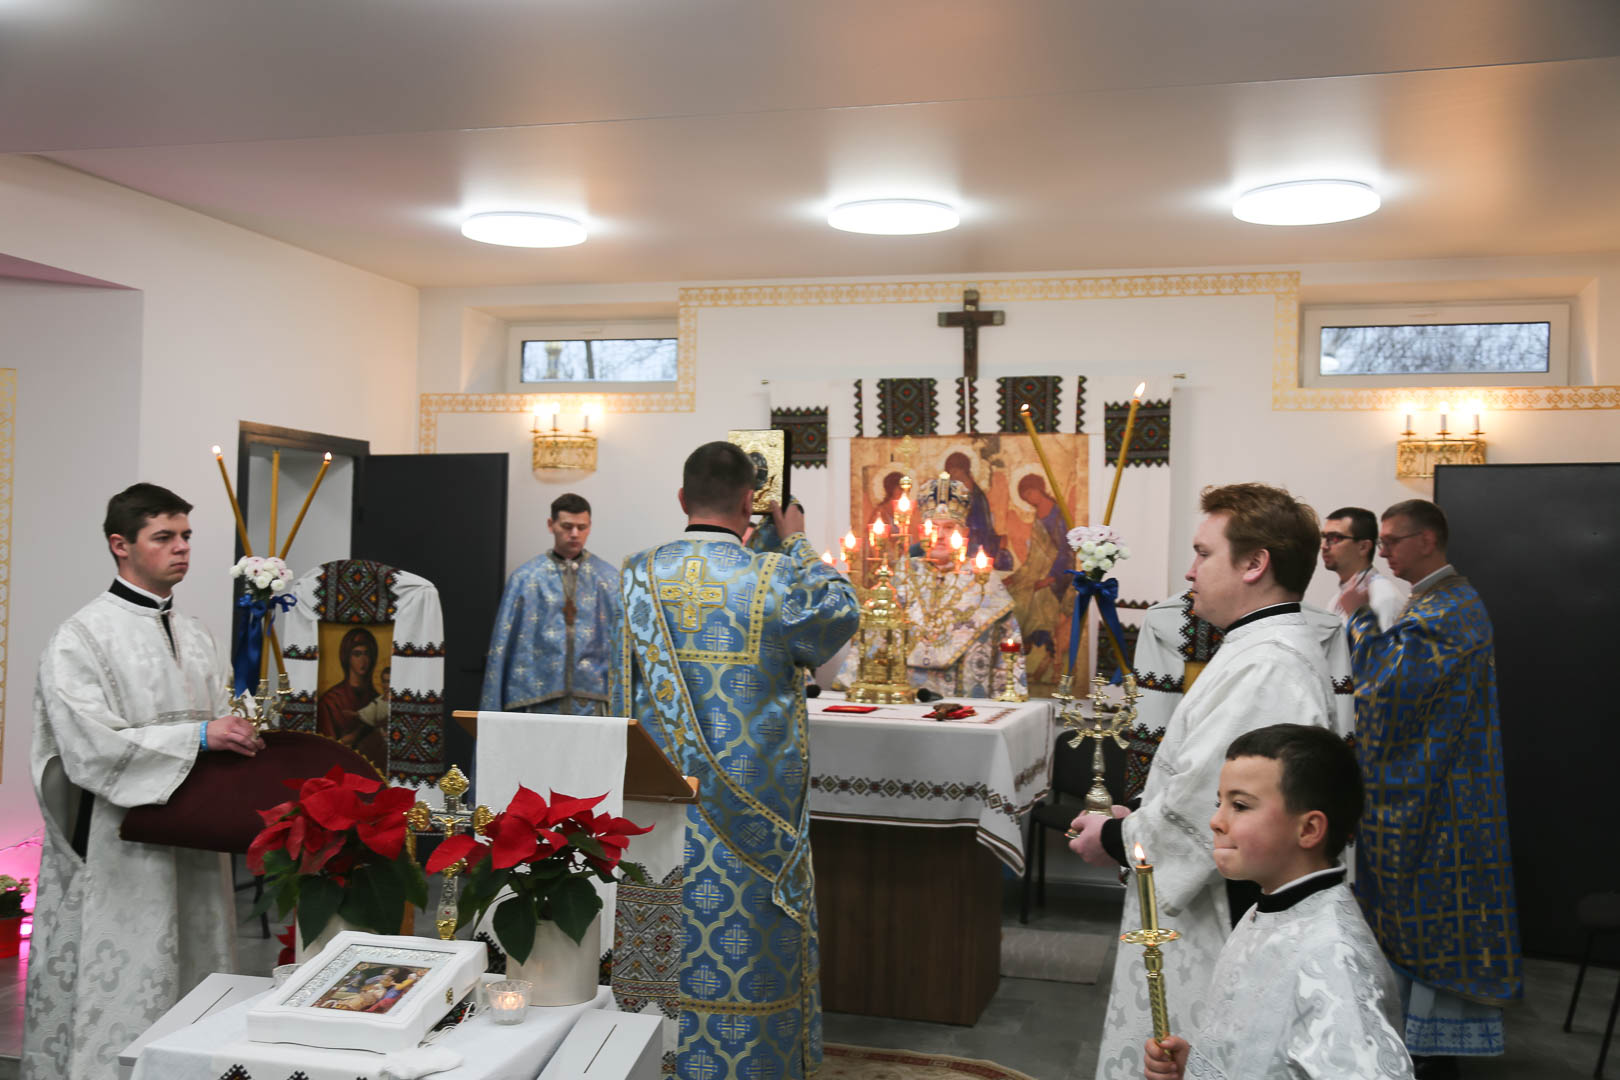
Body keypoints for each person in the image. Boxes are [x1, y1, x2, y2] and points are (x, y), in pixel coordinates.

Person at [1069, 483, 1352, 1080]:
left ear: (1255, 564)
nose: (1190, 570)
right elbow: (1198, 768)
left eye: (1203, 553)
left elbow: (1216, 804)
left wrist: (1115, 839)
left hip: (1218, 913)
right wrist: (1134, 813)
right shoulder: (1255, 648)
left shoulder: (1267, 665)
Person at [614, 441, 859, 1080]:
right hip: (752, 821)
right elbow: (840, 612)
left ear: (681, 497)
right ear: (752, 503)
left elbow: (614, 698)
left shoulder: (634, 575)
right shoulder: (776, 577)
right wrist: (796, 539)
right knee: (745, 946)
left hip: (653, 809)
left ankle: (648, 1061)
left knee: (658, 938)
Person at [24, 483, 263, 1079]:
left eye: (186, 536)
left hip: (195, 844)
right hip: (122, 849)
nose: (181, 548)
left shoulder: (197, 635)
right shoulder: (81, 637)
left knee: (199, 971)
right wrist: (200, 737)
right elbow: (87, 746)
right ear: (120, 545)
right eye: (164, 537)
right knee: (129, 979)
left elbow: (222, 723)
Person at [1343, 499, 1521, 1077]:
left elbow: (1386, 689)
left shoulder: (1450, 608)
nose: (1384, 551)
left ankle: (1431, 1054)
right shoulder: (1433, 602)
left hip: (1442, 796)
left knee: (1434, 905)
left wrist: (1359, 620)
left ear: (1427, 540)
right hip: (1438, 779)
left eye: (1392, 540)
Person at [1141, 724, 1413, 1080]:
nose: (1216, 821)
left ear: (1308, 830)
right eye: (1219, 803)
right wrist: (1198, 1068)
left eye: (1240, 805)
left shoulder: (1333, 957)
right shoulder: (1268, 910)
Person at [835, 471, 1026, 698]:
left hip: (966, 702)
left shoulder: (985, 580)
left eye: (949, 527)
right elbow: (876, 633)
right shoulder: (905, 573)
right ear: (921, 532)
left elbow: (1008, 641)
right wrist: (851, 680)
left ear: (964, 534)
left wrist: (1008, 694)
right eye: (933, 527)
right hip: (903, 698)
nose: (940, 535)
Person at [482, 492, 620, 715]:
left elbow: (623, 646)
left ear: (590, 527)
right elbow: (502, 647)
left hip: (593, 701)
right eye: (567, 526)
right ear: (551, 525)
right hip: (538, 700)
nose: (574, 534)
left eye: (582, 527)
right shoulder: (525, 579)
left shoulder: (609, 579)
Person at [1322, 505, 1406, 630]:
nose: (1324, 546)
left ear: (1363, 547)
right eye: (1323, 537)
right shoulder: (1336, 600)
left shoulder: (1385, 597)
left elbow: (1383, 644)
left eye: (1334, 538)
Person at [317, 626, 387, 765]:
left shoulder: (379, 701)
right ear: (346, 657)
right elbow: (325, 747)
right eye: (357, 654)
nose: (363, 660)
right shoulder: (331, 701)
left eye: (367, 654)